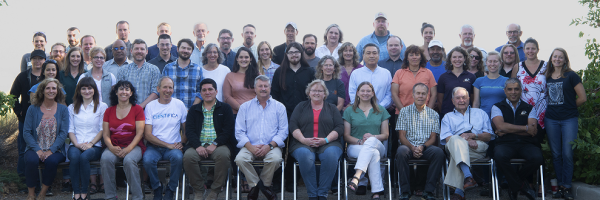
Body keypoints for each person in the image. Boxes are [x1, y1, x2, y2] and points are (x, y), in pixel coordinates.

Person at [235, 75, 288, 200]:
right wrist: (251, 147)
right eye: (260, 86)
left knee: (275, 159)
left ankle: (256, 187)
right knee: (240, 159)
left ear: (270, 88)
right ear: (255, 88)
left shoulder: (279, 107)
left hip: (271, 145)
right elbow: (239, 132)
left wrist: (269, 146)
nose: (263, 88)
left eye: (266, 86)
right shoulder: (245, 107)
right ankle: (263, 187)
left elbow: (283, 132)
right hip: (250, 145)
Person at [289, 80, 344, 200]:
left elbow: (339, 127)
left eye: (320, 90)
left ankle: (322, 193)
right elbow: (293, 125)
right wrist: (304, 140)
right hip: (302, 143)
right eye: (314, 90)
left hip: (329, 143)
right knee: (305, 155)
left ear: (325, 94)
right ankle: (313, 195)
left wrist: (326, 140)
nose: (317, 93)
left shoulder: (332, 108)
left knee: (331, 155)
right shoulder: (300, 106)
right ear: (309, 93)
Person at [183, 78, 235, 200]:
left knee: (223, 156)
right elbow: (189, 131)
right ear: (200, 93)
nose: (207, 92)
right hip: (198, 145)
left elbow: (228, 130)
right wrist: (197, 146)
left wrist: (215, 143)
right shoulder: (194, 110)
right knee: (188, 157)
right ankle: (199, 190)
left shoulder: (225, 108)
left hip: (219, 145)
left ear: (216, 91)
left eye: (210, 89)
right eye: (204, 90)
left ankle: (215, 191)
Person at [545, 48, 586, 200]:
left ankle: (566, 187)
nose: (557, 59)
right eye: (555, 56)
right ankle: (559, 186)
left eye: (560, 57)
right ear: (551, 59)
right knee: (556, 154)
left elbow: (582, 98)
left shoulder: (571, 76)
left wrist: (568, 107)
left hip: (569, 119)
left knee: (567, 153)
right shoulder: (547, 76)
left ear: (565, 60)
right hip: (551, 119)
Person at [491, 78, 542, 200]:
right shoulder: (497, 107)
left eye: (516, 89)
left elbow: (533, 130)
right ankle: (521, 185)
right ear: (505, 91)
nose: (513, 92)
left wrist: (507, 130)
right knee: (499, 156)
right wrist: (525, 128)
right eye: (510, 89)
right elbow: (500, 126)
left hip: (526, 143)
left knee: (537, 158)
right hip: (505, 144)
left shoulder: (530, 107)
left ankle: (514, 184)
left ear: (521, 91)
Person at [440, 87, 493, 200]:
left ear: (469, 99)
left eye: (464, 97)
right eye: (458, 98)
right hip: (456, 146)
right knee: (454, 140)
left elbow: (489, 136)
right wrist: (464, 140)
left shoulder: (480, 113)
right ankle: (467, 178)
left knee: (456, 156)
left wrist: (474, 135)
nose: (461, 100)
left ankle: (460, 190)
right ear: (453, 101)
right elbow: (447, 139)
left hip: (478, 147)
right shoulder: (447, 117)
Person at [395, 83, 444, 200]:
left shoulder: (434, 114)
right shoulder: (404, 111)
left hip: (425, 147)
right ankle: (405, 191)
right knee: (401, 151)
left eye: (423, 94)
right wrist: (412, 147)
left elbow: (433, 138)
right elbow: (401, 136)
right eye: (418, 93)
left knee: (438, 153)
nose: (421, 96)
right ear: (413, 95)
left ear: (428, 96)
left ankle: (428, 191)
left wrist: (422, 147)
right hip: (408, 146)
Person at [142, 77, 188, 200]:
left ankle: (171, 189)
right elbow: (147, 134)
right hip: (154, 146)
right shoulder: (151, 106)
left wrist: (181, 143)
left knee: (178, 158)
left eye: (170, 87)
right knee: (147, 160)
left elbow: (186, 128)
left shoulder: (179, 104)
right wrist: (167, 145)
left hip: (174, 147)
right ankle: (157, 187)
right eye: (165, 87)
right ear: (158, 89)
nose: (167, 90)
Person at [23, 78, 69, 200]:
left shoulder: (63, 109)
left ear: (58, 91)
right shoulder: (32, 109)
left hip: (56, 150)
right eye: (48, 88)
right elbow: (26, 132)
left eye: (54, 88)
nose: (51, 90)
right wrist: (37, 150)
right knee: (32, 160)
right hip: (34, 148)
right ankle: (31, 194)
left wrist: (51, 150)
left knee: (51, 161)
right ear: (42, 91)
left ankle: (42, 193)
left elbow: (63, 133)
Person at [100, 80, 146, 200]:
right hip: (114, 145)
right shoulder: (109, 111)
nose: (124, 92)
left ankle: (137, 197)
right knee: (105, 159)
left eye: (127, 89)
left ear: (131, 93)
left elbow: (140, 132)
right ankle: (110, 197)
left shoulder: (137, 109)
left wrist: (128, 149)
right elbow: (105, 134)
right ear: (116, 92)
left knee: (129, 161)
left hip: (134, 146)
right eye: (121, 89)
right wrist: (111, 147)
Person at [344, 82, 390, 199]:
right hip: (355, 145)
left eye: (368, 91)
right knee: (372, 153)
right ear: (358, 93)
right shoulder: (349, 111)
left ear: (373, 93)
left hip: (378, 144)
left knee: (371, 143)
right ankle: (376, 191)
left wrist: (372, 137)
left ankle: (357, 176)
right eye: (362, 91)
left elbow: (385, 135)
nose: (365, 93)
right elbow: (346, 136)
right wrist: (360, 141)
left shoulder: (381, 110)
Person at [67, 77, 108, 200]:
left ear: (94, 90)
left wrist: (90, 143)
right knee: (74, 157)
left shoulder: (102, 106)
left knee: (84, 157)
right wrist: (77, 144)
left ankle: (84, 193)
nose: (87, 91)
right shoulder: (72, 107)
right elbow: (71, 130)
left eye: (89, 88)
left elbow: (102, 129)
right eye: (83, 88)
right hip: (76, 144)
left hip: (94, 146)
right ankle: (76, 192)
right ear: (79, 91)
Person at [10, 49, 46, 188]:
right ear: (30, 60)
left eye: (40, 59)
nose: (37, 61)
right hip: (25, 120)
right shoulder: (23, 76)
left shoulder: (47, 76)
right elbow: (13, 96)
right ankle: (23, 180)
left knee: (41, 148)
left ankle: (39, 180)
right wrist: (19, 112)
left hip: (44, 120)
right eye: (34, 58)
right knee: (23, 149)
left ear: (44, 60)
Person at [511, 38, 547, 139]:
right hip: (523, 109)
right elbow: (512, 88)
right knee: (524, 138)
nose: (530, 51)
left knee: (540, 139)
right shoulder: (518, 67)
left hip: (542, 109)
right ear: (524, 50)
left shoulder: (546, 66)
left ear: (538, 50)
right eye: (528, 48)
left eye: (533, 48)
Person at [272, 42, 316, 119]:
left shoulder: (310, 72)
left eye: (296, 52)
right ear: (286, 55)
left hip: (305, 115)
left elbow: (314, 93)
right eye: (291, 52)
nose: (294, 55)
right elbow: (274, 94)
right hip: (284, 115)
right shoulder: (279, 72)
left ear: (301, 53)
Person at [391, 45, 437, 113]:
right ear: (407, 58)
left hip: (423, 114)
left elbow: (434, 94)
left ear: (421, 57)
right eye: (411, 55)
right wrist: (403, 112)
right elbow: (394, 94)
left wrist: (427, 112)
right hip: (403, 114)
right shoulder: (399, 73)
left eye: (417, 55)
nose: (414, 57)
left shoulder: (428, 73)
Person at [117, 39, 161, 109]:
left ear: (146, 52)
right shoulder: (123, 70)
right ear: (131, 51)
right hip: (127, 110)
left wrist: (139, 108)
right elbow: (119, 91)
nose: (139, 51)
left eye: (142, 49)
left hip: (148, 111)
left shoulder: (154, 70)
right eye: (136, 49)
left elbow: (156, 92)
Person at [162, 39, 204, 109]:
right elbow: (162, 90)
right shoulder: (168, 68)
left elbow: (201, 91)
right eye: (183, 48)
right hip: (171, 111)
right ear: (177, 49)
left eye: (189, 49)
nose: (186, 51)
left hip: (191, 112)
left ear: (192, 51)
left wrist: (192, 109)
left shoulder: (198, 69)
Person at [348, 43, 392, 109]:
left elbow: (389, 94)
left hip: (381, 112)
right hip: (360, 112)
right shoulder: (356, 73)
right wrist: (361, 107)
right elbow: (352, 93)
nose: (371, 56)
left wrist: (379, 107)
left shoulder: (386, 73)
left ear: (378, 56)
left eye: (374, 53)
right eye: (368, 53)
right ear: (363, 56)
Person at [437, 47, 476, 117]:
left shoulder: (472, 77)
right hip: (448, 115)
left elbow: (473, 99)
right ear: (450, 59)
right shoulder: (443, 77)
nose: (457, 59)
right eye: (454, 57)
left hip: (466, 116)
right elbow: (440, 101)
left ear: (465, 59)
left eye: (460, 57)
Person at [223, 47, 259, 114]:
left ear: (250, 59)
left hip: (254, 112)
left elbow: (261, 94)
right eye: (241, 57)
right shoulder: (229, 76)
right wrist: (240, 108)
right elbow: (227, 97)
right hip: (236, 114)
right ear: (237, 59)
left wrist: (252, 108)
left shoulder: (257, 76)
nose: (243, 59)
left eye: (246, 57)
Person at [473, 51, 508, 118]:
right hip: (483, 118)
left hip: (502, 118)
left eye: (495, 61)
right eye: (490, 61)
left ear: (500, 63)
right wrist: (475, 119)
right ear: (486, 63)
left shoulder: (506, 81)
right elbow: (476, 103)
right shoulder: (479, 81)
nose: (492, 64)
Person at [338, 42, 363, 107]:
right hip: (339, 106)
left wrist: (352, 104)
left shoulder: (361, 69)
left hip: (358, 105)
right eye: (345, 51)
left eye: (350, 51)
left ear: (354, 53)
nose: (348, 53)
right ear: (341, 53)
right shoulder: (336, 69)